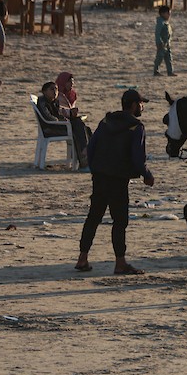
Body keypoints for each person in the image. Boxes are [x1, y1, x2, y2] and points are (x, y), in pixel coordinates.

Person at [76, 90, 154, 274]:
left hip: (100, 176)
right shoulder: (136, 127)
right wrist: (147, 175)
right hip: (118, 179)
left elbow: (91, 148)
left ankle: (82, 258)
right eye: (141, 103)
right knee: (119, 221)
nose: (142, 107)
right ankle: (120, 263)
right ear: (134, 105)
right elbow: (138, 156)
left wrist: (96, 170)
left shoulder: (106, 121)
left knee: (93, 217)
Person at [37, 80, 90, 168]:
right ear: (44, 91)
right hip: (51, 128)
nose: (55, 92)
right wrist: (61, 121)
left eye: (56, 89)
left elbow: (58, 113)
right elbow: (48, 117)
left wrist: (68, 115)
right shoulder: (42, 102)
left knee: (83, 126)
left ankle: (87, 154)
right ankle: (84, 156)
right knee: (78, 127)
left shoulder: (55, 101)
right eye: (52, 89)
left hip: (58, 125)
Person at [153, 5, 174, 77]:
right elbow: (157, 33)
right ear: (162, 13)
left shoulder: (166, 22)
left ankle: (170, 72)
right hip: (161, 44)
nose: (169, 15)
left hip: (167, 44)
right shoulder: (160, 23)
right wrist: (159, 42)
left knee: (169, 58)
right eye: (168, 13)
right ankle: (156, 71)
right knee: (159, 58)